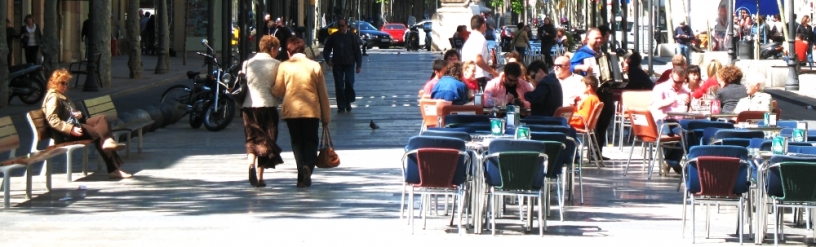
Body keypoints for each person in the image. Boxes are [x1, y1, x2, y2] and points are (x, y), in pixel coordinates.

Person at [42, 69, 131, 179]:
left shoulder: (62, 96)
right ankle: (114, 169)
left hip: (76, 123)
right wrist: (70, 129)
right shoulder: (53, 97)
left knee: (101, 118)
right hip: (66, 133)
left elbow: (69, 114)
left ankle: (108, 141)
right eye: (62, 83)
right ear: (55, 83)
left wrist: (80, 115)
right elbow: (52, 119)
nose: (65, 86)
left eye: (67, 83)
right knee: (99, 135)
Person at [272, 37, 331, 188]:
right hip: (311, 110)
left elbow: (278, 90)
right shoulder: (314, 66)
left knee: (297, 143)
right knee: (311, 141)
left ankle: (300, 176)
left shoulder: (284, 66)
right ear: (304, 50)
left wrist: (270, 89)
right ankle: (308, 168)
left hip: (292, 111)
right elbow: (322, 94)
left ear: (288, 51)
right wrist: (326, 116)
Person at [241, 35, 284, 187]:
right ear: (272, 49)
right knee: (267, 140)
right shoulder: (277, 64)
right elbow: (278, 88)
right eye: (277, 49)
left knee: (252, 139)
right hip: (268, 106)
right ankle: (260, 177)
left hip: (249, 106)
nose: (277, 52)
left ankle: (251, 165)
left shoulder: (248, 63)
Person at [570, 28, 613, 160]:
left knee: (604, 122)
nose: (599, 40)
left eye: (600, 38)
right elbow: (571, 66)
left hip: (605, 91)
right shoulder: (583, 53)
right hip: (593, 91)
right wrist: (582, 67)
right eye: (596, 38)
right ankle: (594, 152)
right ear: (588, 39)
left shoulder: (600, 54)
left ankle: (597, 152)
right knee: (596, 122)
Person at [650, 66, 691, 174]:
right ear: (670, 76)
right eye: (676, 82)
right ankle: (674, 162)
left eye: (681, 82)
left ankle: (669, 162)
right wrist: (675, 98)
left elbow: (689, 109)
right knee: (668, 135)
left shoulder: (685, 90)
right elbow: (658, 105)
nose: (679, 85)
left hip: (679, 120)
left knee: (688, 135)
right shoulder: (660, 88)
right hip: (663, 119)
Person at [322, 19, 362, 113]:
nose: (341, 28)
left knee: (349, 83)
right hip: (337, 64)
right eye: (339, 26)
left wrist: (358, 65)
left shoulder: (351, 36)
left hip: (349, 64)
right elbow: (326, 49)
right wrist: (328, 60)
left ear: (346, 26)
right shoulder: (334, 37)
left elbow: (357, 52)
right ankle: (341, 106)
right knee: (339, 85)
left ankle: (348, 102)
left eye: (342, 26)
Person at [461, 15, 499, 91]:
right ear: (483, 25)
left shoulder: (469, 39)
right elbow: (478, 59)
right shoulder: (480, 38)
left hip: (468, 75)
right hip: (478, 77)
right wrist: (492, 72)